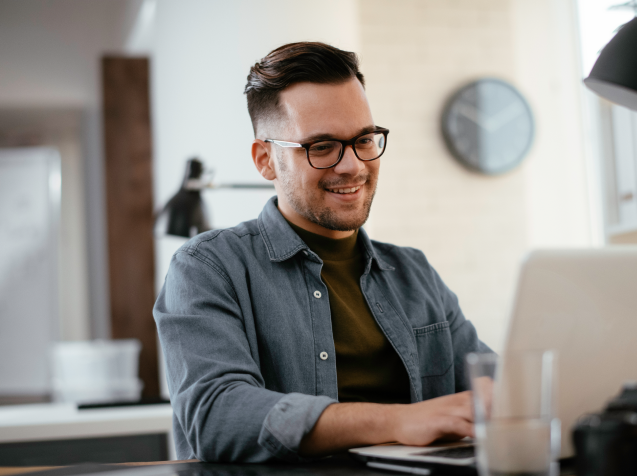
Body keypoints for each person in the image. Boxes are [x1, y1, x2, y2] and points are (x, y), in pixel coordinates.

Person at [154, 41, 494, 463]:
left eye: (364, 139)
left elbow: (489, 386)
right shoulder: (207, 267)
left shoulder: (414, 272)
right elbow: (217, 415)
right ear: (265, 160)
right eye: (322, 147)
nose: (352, 165)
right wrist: (397, 422)